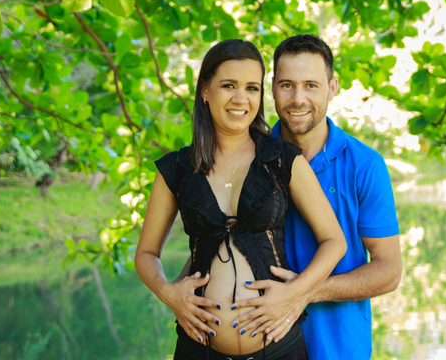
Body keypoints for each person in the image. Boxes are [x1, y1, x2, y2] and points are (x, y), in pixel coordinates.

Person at [135, 38, 347, 360]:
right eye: (229, 85)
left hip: (280, 348)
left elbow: (334, 241)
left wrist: (295, 293)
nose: (241, 98)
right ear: (205, 90)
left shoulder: (284, 160)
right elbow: (147, 253)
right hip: (198, 349)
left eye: (252, 88)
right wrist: (169, 294)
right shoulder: (176, 169)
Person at [230, 34, 402, 360]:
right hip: (259, 345)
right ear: (272, 88)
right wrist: (178, 289)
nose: (298, 98)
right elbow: (217, 234)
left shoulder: (364, 165)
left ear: (332, 87)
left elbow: (389, 270)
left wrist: (303, 292)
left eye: (311, 85)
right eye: (287, 85)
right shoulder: (245, 156)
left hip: (338, 350)